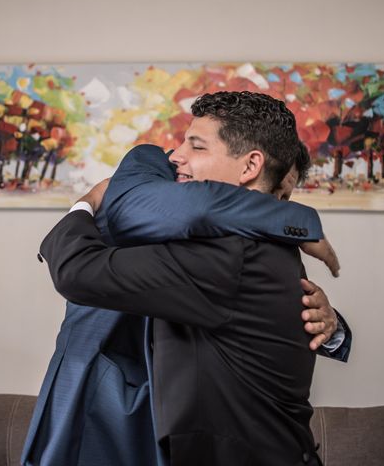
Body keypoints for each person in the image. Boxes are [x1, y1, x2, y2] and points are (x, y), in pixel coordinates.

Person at [37, 91, 350, 465]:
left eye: (196, 146)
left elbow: (78, 272)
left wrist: (84, 205)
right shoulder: (220, 239)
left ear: (251, 168)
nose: (176, 156)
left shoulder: (230, 255)